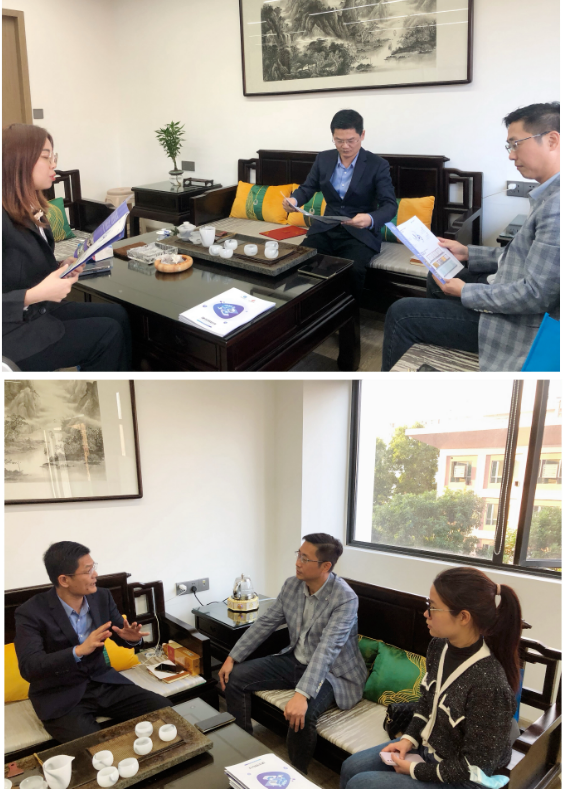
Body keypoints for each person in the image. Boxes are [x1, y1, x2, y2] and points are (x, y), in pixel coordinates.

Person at [382, 102, 560, 372]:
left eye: (515, 144)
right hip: (508, 287)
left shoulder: (557, 207)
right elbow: (519, 256)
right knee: (437, 275)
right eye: (509, 146)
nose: (511, 155)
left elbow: (536, 295)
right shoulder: (547, 194)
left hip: (519, 323)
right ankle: (438, 347)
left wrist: (466, 292)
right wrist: (467, 252)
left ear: (552, 140)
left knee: (401, 314)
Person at [340, 566, 521, 789]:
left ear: (463, 617)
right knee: (351, 767)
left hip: (462, 779)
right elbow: (426, 701)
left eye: (433, 608)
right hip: (429, 750)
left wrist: (415, 770)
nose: (426, 613)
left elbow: (477, 766)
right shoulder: (438, 646)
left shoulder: (489, 685)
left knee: (361, 784)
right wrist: (408, 739)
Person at [219, 534, 367, 775]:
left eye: (305, 558)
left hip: (333, 673)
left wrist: (302, 694)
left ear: (325, 566)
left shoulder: (345, 598)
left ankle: (295, 776)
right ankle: (243, 755)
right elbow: (265, 623)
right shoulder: (292, 585)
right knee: (235, 677)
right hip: (296, 659)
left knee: (302, 714)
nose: (298, 562)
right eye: (299, 555)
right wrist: (232, 657)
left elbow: (327, 649)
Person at [3, 124, 132, 370]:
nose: (53, 164)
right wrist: (36, 294)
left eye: (54, 157)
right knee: (107, 333)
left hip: (37, 311)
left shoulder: (32, 207)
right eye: (46, 157)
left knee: (118, 314)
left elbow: (23, 267)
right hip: (11, 331)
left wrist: (61, 267)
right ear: (19, 161)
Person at [14, 541, 170, 743]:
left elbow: (118, 632)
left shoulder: (102, 597)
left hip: (104, 682)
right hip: (60, 694)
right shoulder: (31, 612)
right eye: (88, 571)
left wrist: (131, 640)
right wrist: (78, 651)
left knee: (166, 713)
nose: (95, 574)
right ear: (64, 580)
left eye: (93, 567)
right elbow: (30, 667)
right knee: (94, 749)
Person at [282, 109, 397, 301]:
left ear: (362, 135)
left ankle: (346, 316)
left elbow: (390, 205)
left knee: (352, 271)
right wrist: (293, 200)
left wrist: (370, 218)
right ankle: (303, 311)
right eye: (338, 140)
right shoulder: (324, 159)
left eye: (351, 140)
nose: (345, 146)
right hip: (325, 229)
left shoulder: (377, 165)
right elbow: (308, 187)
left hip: (359, 235)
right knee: (298, 261)